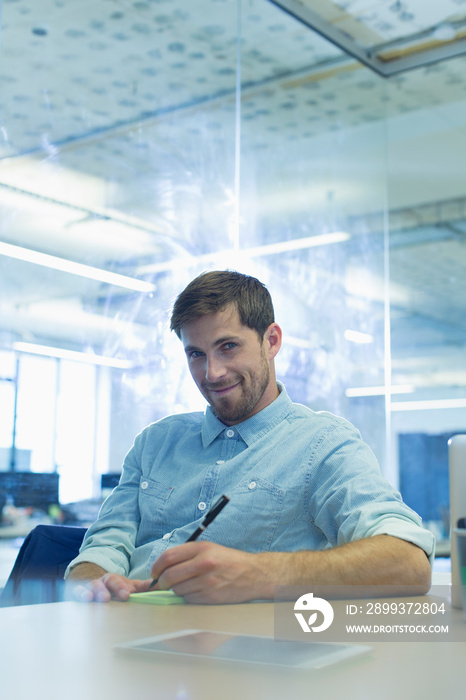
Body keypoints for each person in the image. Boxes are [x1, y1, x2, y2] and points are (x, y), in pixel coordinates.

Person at [65, 270, 434, 604]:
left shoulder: (324, 444)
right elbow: (100, 550)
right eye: (196, 354)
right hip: (122, 637)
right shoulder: (154, 443)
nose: (212, 373)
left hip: (243, 656)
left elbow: (408, 562)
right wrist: (94, 586)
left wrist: (261, 574)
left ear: (271, 341)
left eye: (228, 346)